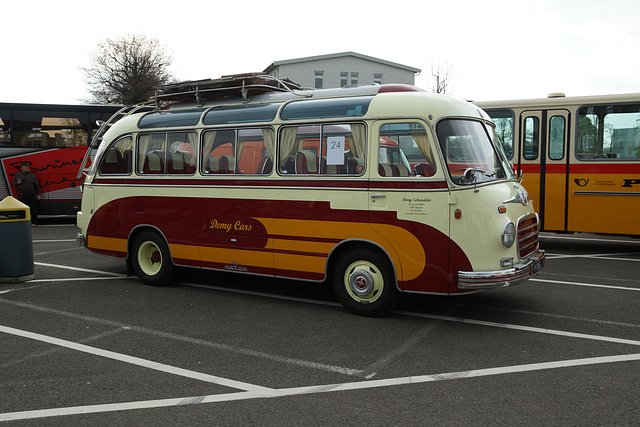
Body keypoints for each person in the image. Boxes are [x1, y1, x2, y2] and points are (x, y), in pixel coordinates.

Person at [11, 161, 41, 226]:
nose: (28, 168)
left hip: (31, 195)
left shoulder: (32, 175)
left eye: (28, 167)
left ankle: (34, 222)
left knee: (33, 209)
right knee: (22, 210)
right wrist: (17, 182)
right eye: (26, 167)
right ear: (22, 168)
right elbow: (13, 183)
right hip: (21, 195)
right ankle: (23, 223)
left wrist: (38, 194)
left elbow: (36, 185)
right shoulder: (18, 175)